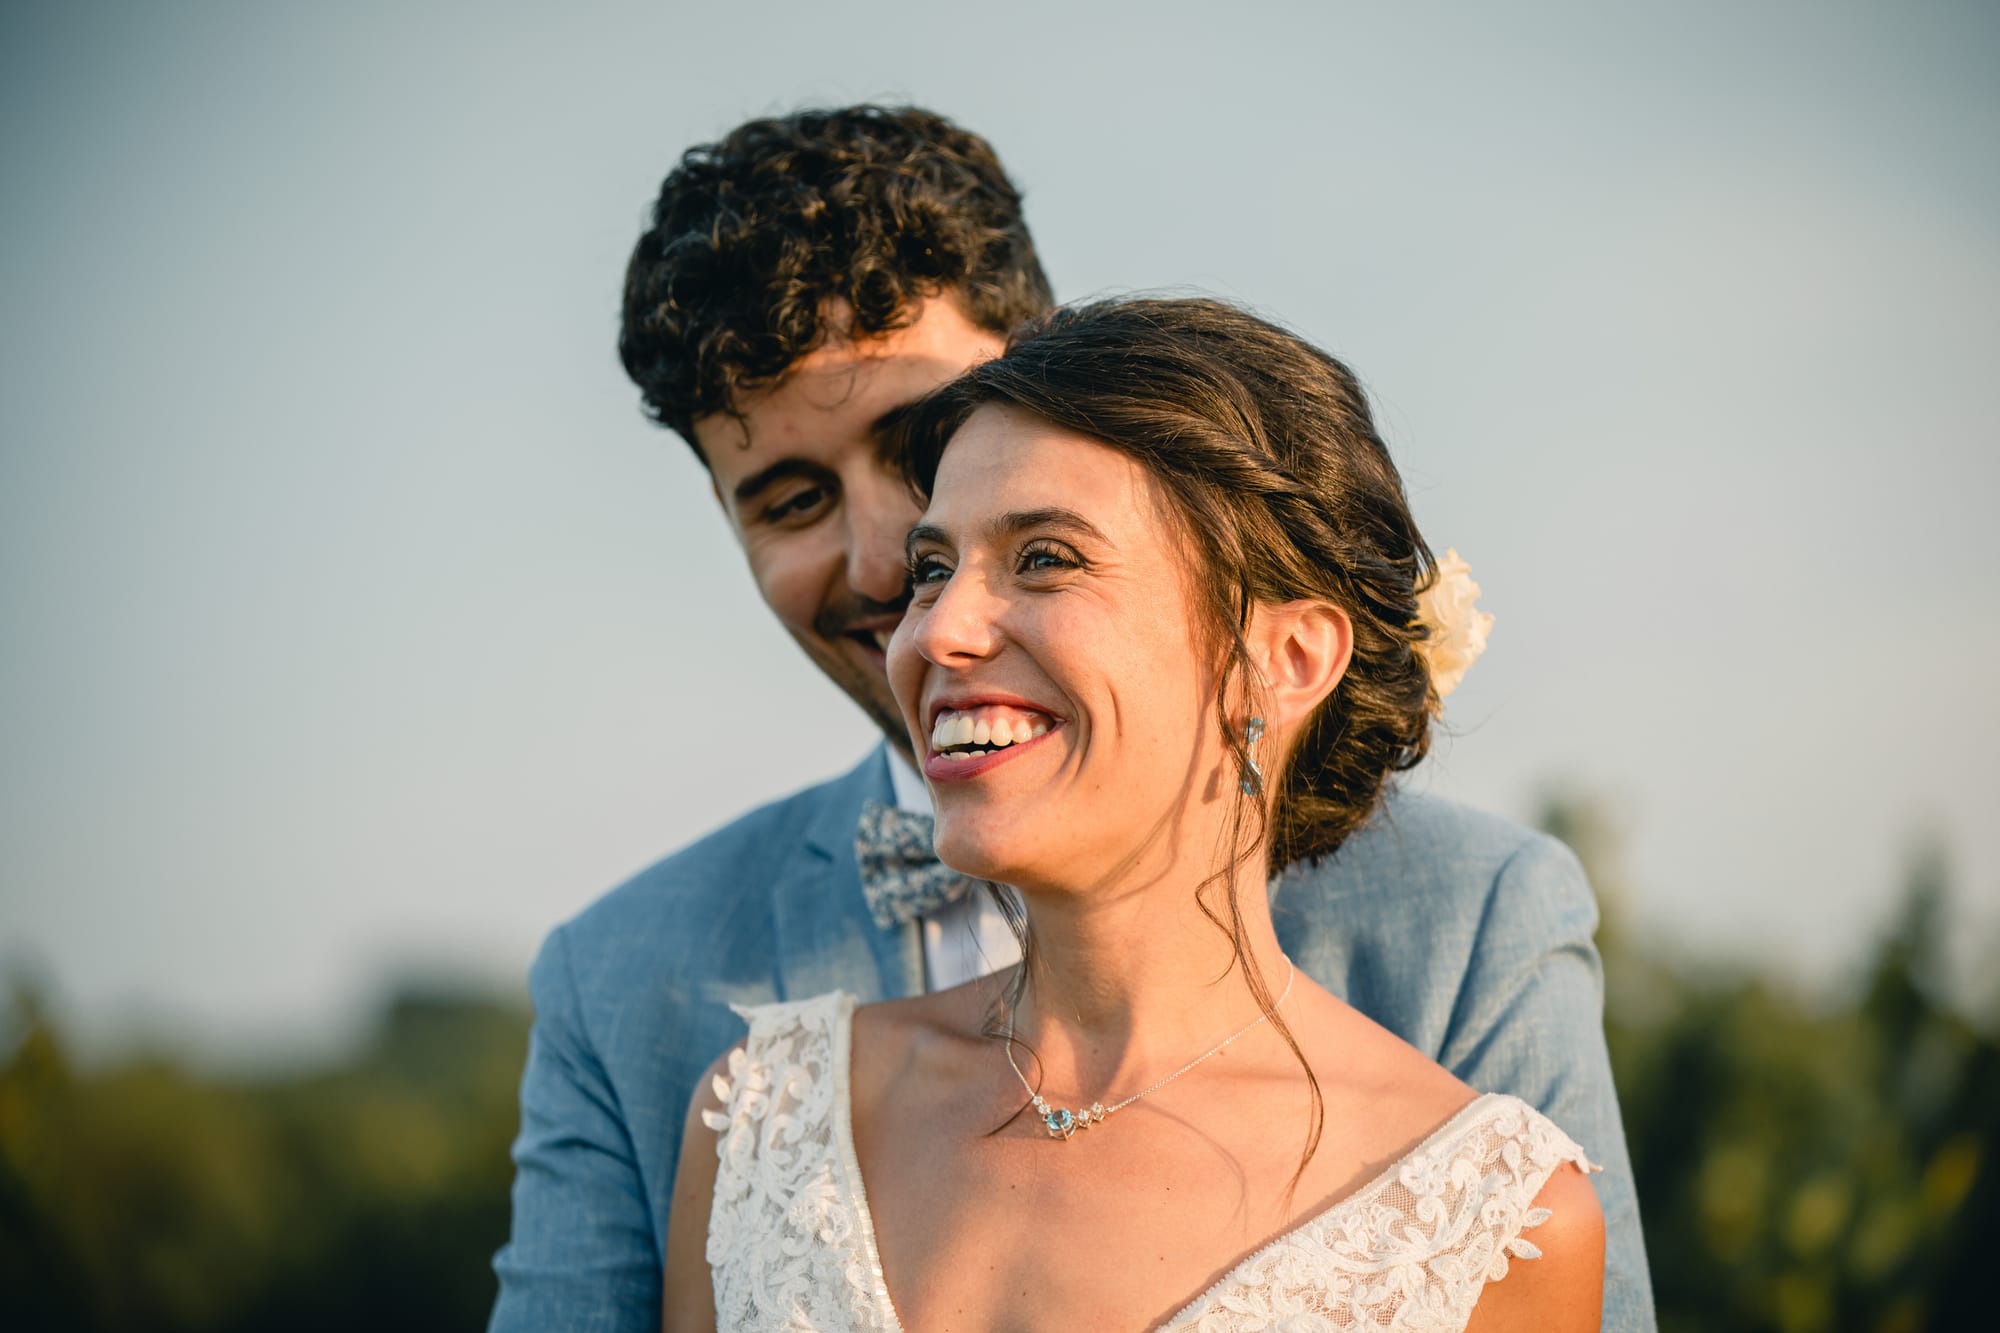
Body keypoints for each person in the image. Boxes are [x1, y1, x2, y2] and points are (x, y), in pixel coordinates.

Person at [488, 105, 1653, 1331]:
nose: (893, 576)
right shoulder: (687, 1042)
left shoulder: (1476, 943)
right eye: (790, 500)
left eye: (920, 449)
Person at [667, 296, 1606, 1331]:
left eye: (1044, 557)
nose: (933, 631)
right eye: (935, 569)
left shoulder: (1494, 1222)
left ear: (1287, 658)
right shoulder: (766, 1118)